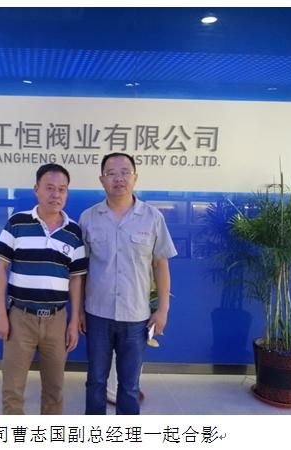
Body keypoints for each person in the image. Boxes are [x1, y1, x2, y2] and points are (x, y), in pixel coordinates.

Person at [79, 153, 177, 415]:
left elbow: (161, 265)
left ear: (135, 177)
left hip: (136, 317)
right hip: (97, 314)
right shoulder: (88, 218)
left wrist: (163, 310)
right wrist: (78, 312)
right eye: (111, 173)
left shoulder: (152, 217)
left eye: (125, 172)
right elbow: (80, 270)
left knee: (130, 386)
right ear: (102, 180)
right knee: (95, 381)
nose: (118, 178)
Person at [0, 163, 88, 415]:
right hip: (20, 319)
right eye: (49, 188)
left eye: (62, 189)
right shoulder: (17, 223)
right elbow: (0, 269)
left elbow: (76, 280)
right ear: (36, 189)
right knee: (13, 390)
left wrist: (73, 322)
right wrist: (1, 315)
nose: (56, 194)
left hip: (57, 321)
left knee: (55, 390)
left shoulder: (74, 232)